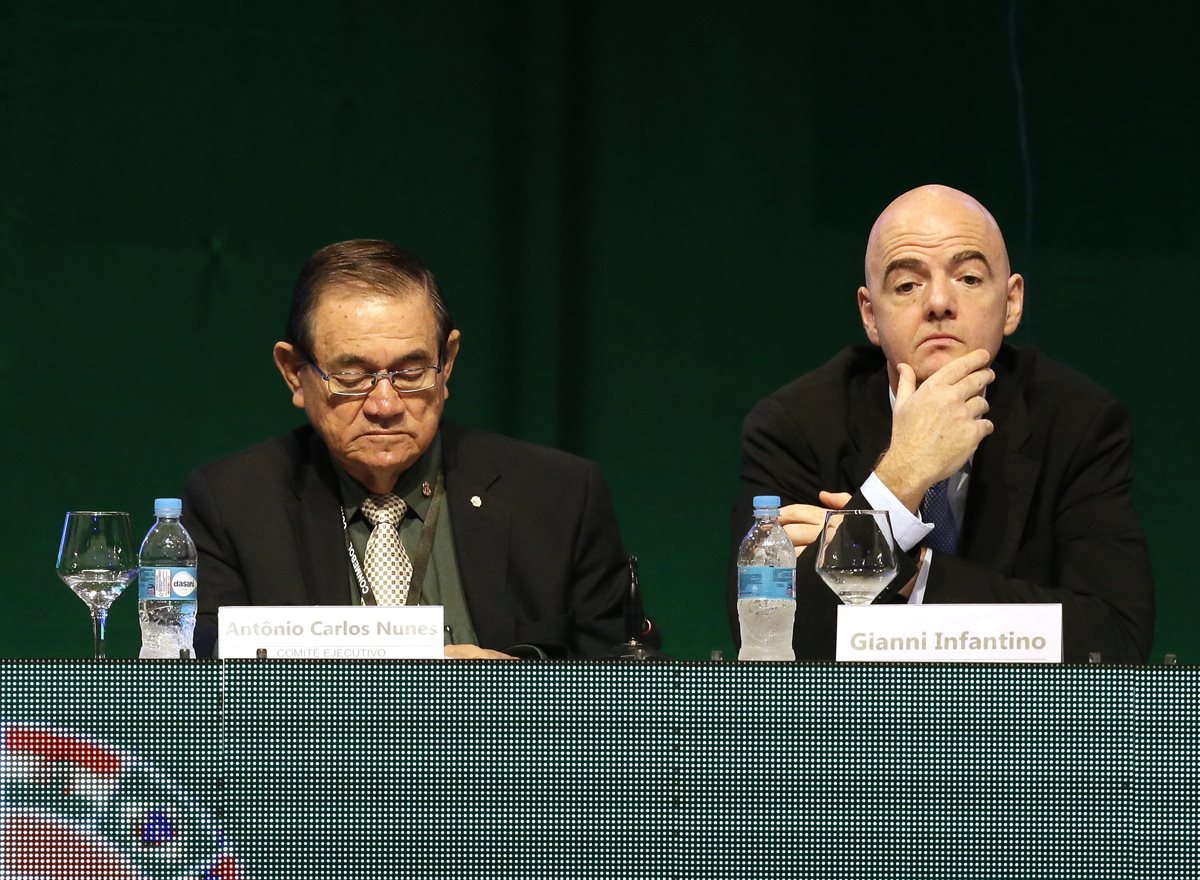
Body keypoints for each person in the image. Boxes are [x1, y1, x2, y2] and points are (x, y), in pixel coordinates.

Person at [729, 184, 1155, 663]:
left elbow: (1115, 643)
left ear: (1012, 303)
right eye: (907, 285)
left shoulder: (1078, 422)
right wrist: (899, 479)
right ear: (870, 315)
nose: (938, 302)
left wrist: (906, 566)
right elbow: (775, 650)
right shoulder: (796, 427)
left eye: (969, 278)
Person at [184, 239, 629, 659]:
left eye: (412, 371)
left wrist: (511, 690)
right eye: (352, 376)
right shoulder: (233, 505)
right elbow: (209, 700)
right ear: (294, 373)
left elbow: (629, 695)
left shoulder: (561, 496)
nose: (385, 405)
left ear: (448, 362)